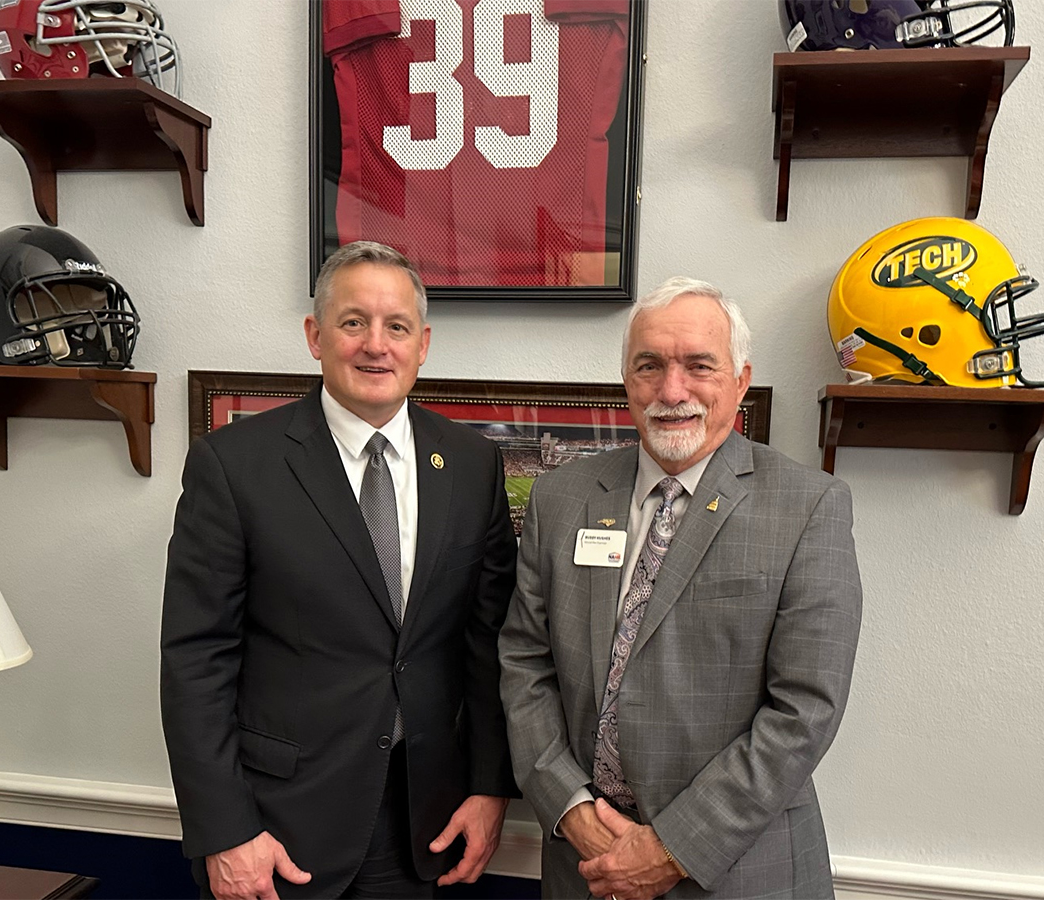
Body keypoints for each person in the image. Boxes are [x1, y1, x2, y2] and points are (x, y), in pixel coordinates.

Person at [161, 241, 519, 899]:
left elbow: (490, 644)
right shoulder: (233, 466)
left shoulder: (472, 465)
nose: (375, 345)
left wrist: (490, 786)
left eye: (397, 326)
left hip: (424, 826)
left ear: (423, 343)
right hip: (275, 832)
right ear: (315, 336)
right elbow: (195, 659)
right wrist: (224, 830)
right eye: (353, 322)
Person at [500, 276, 863, 899]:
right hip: (584, 865)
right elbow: (524, 663)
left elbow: (805, 709)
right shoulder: (562, 499)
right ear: (626, 381)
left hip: (737, 871)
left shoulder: (808, 506)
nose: (672, 391)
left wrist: (671, 847)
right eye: (650, 366)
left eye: (699, 365)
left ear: (740, 380)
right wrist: (570, 809)